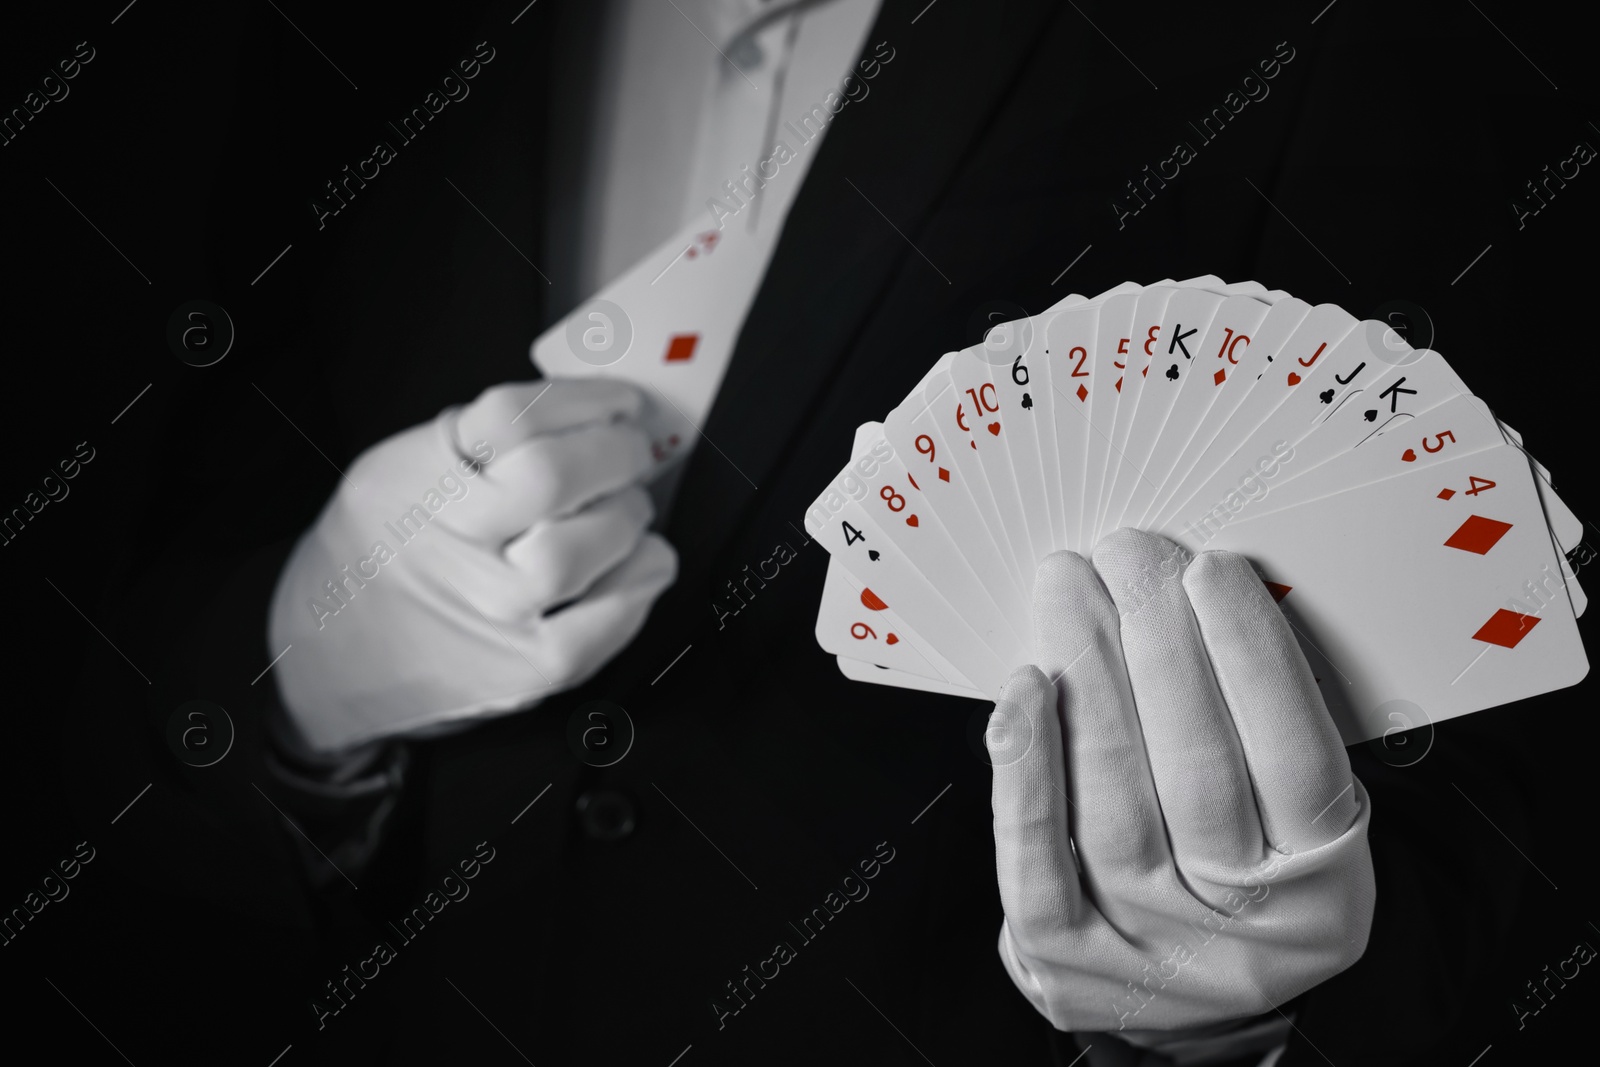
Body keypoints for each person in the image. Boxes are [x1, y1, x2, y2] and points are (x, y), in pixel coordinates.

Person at [74, 1, 1552, 1063]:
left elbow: (1512, 794)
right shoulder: (313, 42)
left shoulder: (1345, 37)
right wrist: (304, 671)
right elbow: (95, 643)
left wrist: (1239, 1021)